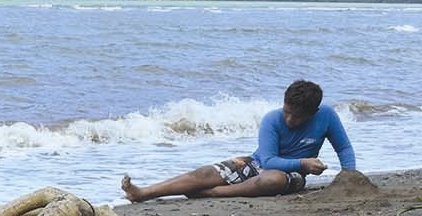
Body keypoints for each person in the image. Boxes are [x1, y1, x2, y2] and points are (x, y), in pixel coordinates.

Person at [120, 80, 357, 203]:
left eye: (297, 116)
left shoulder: (326, 115)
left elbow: (343, 147)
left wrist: (350, 177)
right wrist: (303, 163)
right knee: (204, 173)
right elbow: (266, 159)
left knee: (272, 179)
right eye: (287, 111)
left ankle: (214, 194)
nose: (289, 119)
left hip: (291, 176)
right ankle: (143, 193)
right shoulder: (272, 119)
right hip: (261, 162)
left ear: (312, 113)